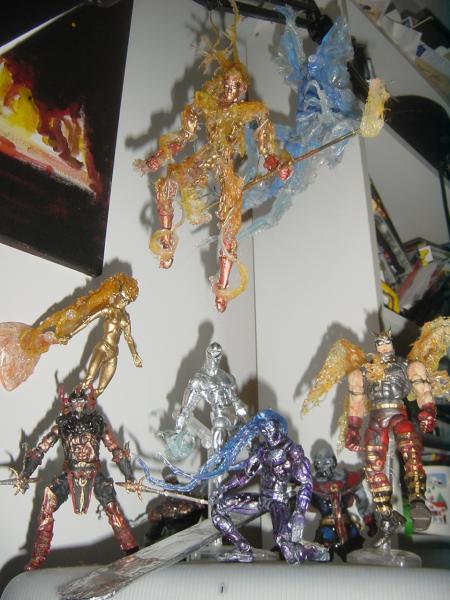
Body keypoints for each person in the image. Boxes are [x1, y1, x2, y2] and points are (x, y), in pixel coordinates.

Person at [134, 3, 291, 311]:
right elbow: (182, 138)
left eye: (237, 87)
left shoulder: (251, 111)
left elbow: (266, 149)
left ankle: (222, 288)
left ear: (243, 89)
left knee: (230, 226)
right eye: (228, 85)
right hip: (205, 159)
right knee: (166, 185)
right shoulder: (204, 104)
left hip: (226, 168)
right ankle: (166, 242)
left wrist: (277, 165)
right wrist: (157, 158)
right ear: (221, 83)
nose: (231, 91)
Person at [14, 386, 138, 570]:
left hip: (93, 473)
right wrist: (25, 473)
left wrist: (129, 476)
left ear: (86, 402)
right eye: (75, 401)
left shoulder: (97, 424)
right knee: (47, 506)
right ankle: (37, 559)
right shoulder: (62, 426)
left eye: (81, 400)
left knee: (113, 510)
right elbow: (41, 449)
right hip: (70, 474)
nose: (78, 404)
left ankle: (132, 551)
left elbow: (116, 450)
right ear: (69, 403)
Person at [346, 329, 436, 545]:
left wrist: (428, 410)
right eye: (379, 343)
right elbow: (356, 401)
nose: (382, 346)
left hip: (398, 412)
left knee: (411, 450)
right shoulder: (364, 371)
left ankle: (417, 501)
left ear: (391, 343)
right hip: (377, 417)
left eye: (386, 342)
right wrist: (353, 428)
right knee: (372, 464)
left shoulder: (407, 366)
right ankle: (386, 515)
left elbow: (423, 390)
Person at [174, 342, 248, 454]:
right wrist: (182, 416)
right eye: (211, 353)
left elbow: (235, 398)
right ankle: (218, 458)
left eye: (217, 354)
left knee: (251, 431)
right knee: (219, 431)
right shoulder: (199, 379)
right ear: (207, 353)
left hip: (235, 415)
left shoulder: (226, 377)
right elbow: (188, 404)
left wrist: (240, 407)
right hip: (220, 416)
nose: (214, 357)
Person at [310, 446, 376, 560]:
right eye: (319, 463)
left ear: (333, 461)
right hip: (326, 529)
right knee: (321, 558)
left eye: (327, 462)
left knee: (354, 557)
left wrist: (370, 522)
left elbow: (362, 500)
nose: (323, 466)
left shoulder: (348, 479)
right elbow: (301, 505)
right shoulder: (312, 484)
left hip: (347, 527)